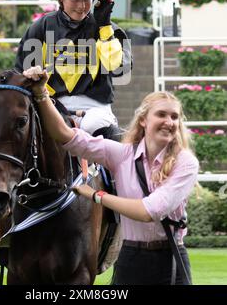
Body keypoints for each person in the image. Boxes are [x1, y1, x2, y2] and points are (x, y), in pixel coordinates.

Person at [22, 65, 199, 286]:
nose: (169, 122)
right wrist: (41, 93)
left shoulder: (186, 163)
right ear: (144, 120)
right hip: (130, 257)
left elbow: (149, 211)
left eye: (175, 117)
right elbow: (64, 135)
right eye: (161, 114)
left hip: (170, 259)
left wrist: (97, 196)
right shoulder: (122, 154)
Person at [15, 0, 131, 137]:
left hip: (96, 111)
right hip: (51, 106)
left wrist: (105, 27)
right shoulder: (41, 28)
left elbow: (119, 69)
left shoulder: (109, 29)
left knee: (111, 138)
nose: (82, 6)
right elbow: (21, 74)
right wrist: (30, 75)